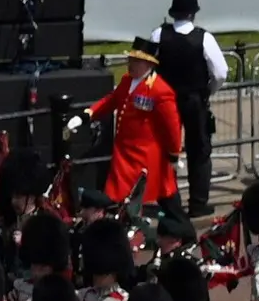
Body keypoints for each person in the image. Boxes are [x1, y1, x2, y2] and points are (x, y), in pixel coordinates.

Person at [77, 37, 185, 215]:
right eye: (131, 59)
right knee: (119, 197)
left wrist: (174, 154)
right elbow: (112, 100)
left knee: (162, 197)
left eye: (136, 61)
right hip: (124, 153)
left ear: (148, 64)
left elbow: (172, 126)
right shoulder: (127, 80)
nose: (130, 63)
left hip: (145, 157)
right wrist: (88, 114)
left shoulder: (160, 90)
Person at [153, 0, 227, 214]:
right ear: (193, 13)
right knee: (199, 151)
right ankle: (197, 203)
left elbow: (146, 66)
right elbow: (221, 73)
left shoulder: (158, 35)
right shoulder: (204, 38)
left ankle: (168, 201)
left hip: (166, 101)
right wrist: (208, 91)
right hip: (194, 100)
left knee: (167, 150)